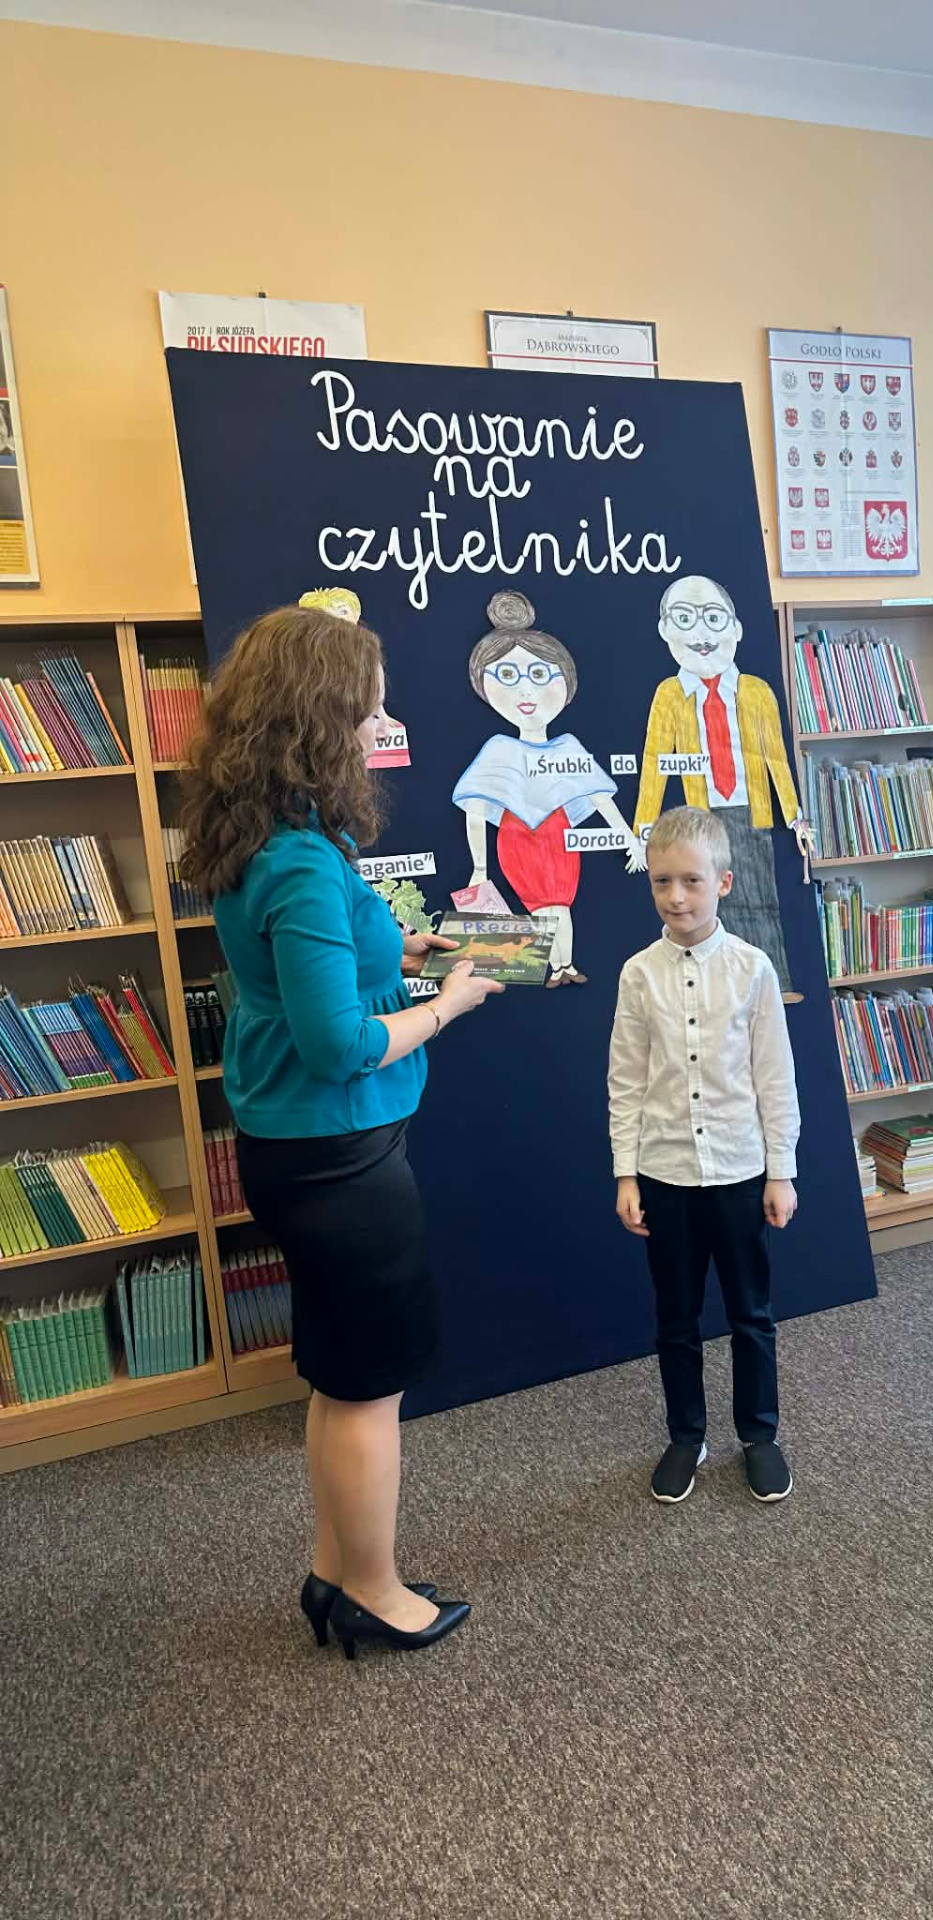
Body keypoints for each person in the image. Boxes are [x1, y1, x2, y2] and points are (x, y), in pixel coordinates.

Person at [180, 604, 502, 1658]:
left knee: (338, 1374)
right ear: (318, 719)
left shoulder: (267, 838)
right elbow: (340, 1045)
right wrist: (447, 1005)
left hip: (297, 1150)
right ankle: (373, 1589)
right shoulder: (304, 864)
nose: (381, 726)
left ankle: (335, 1572)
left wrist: (397, 949)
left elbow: (302, 976)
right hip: (339, 1158)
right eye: (368, 710)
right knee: (371, 1388)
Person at [608, 805, 800, 1505]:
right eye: (662, 881)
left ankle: (759, 1434)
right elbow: (626, 1080)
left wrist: (781, 1171)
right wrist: (625, 1173)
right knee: (676, 1317)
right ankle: (686, 1435)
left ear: (723, 881)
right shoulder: (638, 974)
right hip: (664, 1174)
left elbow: (774, 1078)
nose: (676, 897)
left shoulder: (752, 969)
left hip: (740, 1171)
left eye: (691, 880)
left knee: (751, 1312)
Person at [452, 591, 645, 986]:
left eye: (540, 675)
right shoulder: (499, 750)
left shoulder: (568, 747)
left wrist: (630, 840)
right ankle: (554, 968)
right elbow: (475, 808)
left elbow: (598, 796)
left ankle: (565, 966)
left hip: (559, 838)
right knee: (541, 909)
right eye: (508, 676)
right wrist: (479, 868)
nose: (527, 693)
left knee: (561, 905)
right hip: (517, 839)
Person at [632, 576, 811, 1002]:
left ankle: (774, 984)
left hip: (752, 810)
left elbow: (776, 758)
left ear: (736, 628)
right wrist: (643, 828)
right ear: (665, 630)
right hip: (702, 818)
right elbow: (654, 762)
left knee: (761, 899)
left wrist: (795, 816)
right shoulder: (669, 694)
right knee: (707, 904)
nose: (701, 632)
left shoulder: (756, 692)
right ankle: (720, 988)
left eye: (713, 618)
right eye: (684, 619)